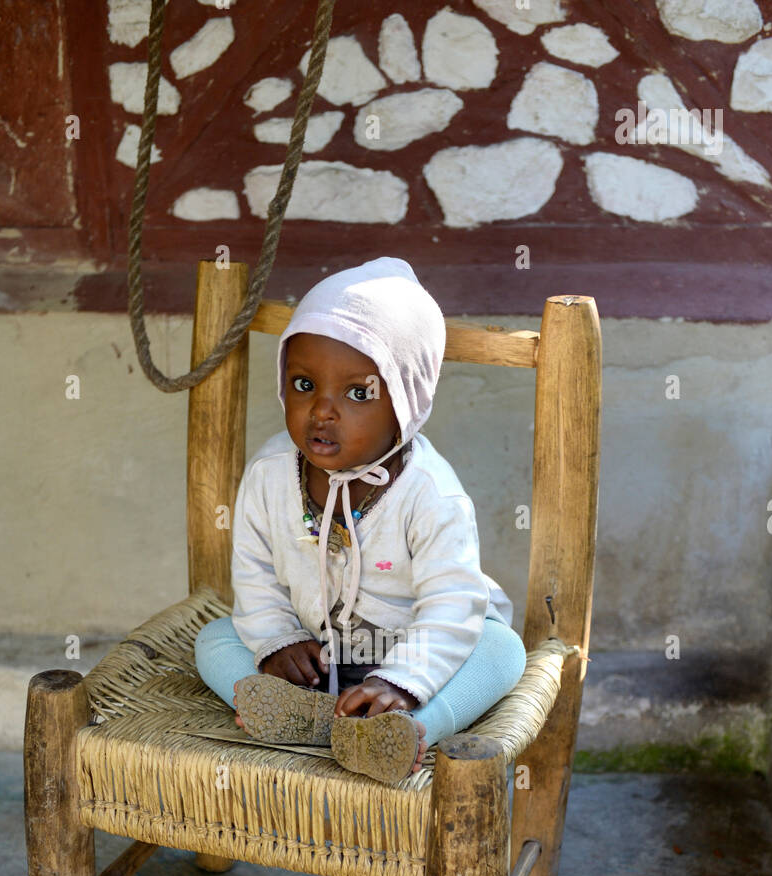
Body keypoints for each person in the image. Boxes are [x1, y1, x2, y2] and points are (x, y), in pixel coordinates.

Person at [194, 257, 527, 784]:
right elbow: (255, 574)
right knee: (214, 638)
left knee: (503, 650)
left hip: (417, 653)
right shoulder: (269, 474)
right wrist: (277, 641)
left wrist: (401, 681)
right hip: (315, 655)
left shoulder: (430, 494)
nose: (322, 411)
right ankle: (298, 715)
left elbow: (452, 605)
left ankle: (409, 727)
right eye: (304, 384)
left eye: (357, 393)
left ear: (407, 401)